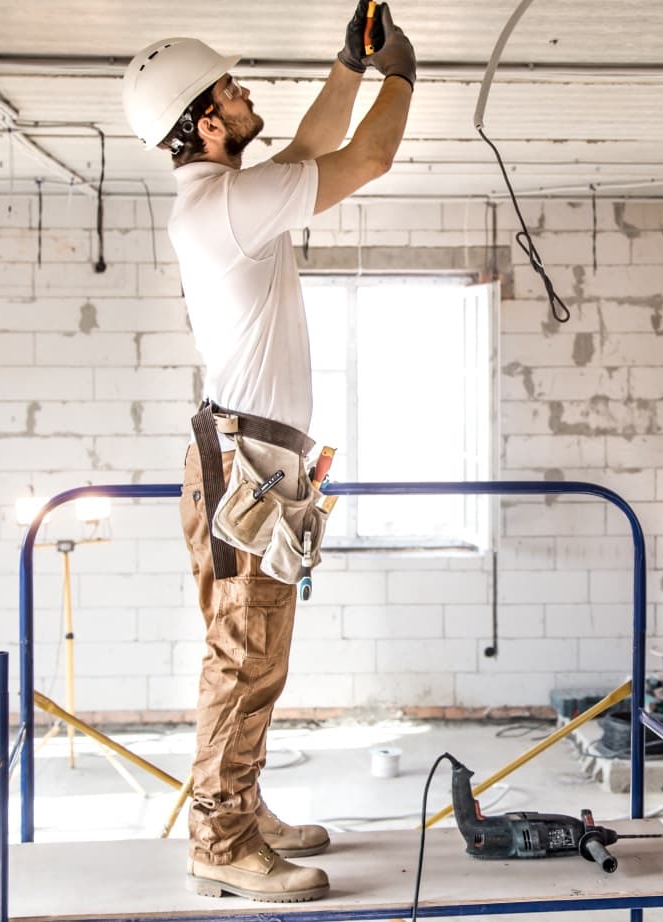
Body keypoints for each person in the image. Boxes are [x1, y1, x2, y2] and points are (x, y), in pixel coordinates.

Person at [120, 1, 414, 903]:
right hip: (245, 462)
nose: (250, 96)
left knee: (249, 650)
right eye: (234, 90)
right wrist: (402, 72)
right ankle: (220, 840)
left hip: (249, 457)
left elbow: (306, 154)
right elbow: (364, 158)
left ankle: (239, 805)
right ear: (207, 122)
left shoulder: (231, 198)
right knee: (244, 655)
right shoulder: (224, 209)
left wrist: (349, 68)